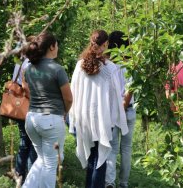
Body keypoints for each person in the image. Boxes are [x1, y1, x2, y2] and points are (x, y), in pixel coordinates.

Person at [69, 30, 128, 188]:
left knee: (92, 159)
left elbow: (72, 91)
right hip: (102, 119)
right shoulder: (110, 68)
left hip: (83, 118)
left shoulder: (79, 65)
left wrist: (73, 116)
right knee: (99, 160)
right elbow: (115, 96)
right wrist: (116, 117)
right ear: (106, 45)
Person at [22, 32, 73, 188]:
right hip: (50, 120)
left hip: (31, 119)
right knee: (51, 164)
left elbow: (27, 90)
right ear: (52, 47)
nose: (57, 47)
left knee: (43, 159)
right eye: (56, 44)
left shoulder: (29, 69)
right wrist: (64, 112)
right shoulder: (57, 69)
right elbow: (69, 98)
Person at [105, 31, 136, 188]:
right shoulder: (130, 64)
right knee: (126, 148)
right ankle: (123, 183)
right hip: (128, 110)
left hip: (113, 110)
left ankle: (110, 182)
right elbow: (131, 89)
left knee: (112, 148)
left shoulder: (108, 65)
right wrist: (124, 106)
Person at [12, 56, 37, 183]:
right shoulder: (29, 63)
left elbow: (14, 81)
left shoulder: (20, 62)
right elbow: (25, 86)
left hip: (20, 106)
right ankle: (30, 179)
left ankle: (19, 175)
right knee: (32, 142)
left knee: (24, 142)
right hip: (29, 105)